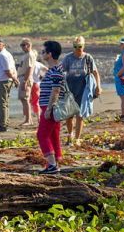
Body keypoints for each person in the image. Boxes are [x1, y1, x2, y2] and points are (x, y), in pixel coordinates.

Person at [61, 36, 101, 145]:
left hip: (83, 89)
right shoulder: (68, 58)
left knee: (80, 114)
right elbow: (61, 71)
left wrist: (98, 87)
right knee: (69, 115)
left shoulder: (88, 58)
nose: (78, 49)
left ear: (83, 46)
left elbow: (95, 73)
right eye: (75, 46)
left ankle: (77, 138)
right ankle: (70, 134)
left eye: (80, 46)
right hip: (70, 89)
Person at [36, 40, 65, 174]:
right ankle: (54, 164)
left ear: (50, 54)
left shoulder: (56, 70)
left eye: (43, 52)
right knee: (53, 135)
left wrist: (49, 109)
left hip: (51, 108)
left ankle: (52, 165)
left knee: (42, 135)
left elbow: (56, 91)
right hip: (51, 108)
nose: (41, 54)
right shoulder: (53, 70)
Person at [0, 38, 19, 132]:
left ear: (3, 45)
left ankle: (3, 125)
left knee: (1, 103)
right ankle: (2, 120)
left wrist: (14, 79)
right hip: (0, 81)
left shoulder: (3, 55)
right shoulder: (2, 55)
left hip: (4, 81)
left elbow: (7, 70)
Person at [16, 38, 38, 126]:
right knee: (23, 98)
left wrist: (25, 81)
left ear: (28, 45)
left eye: (23, 45)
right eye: (21, 45)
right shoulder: (26, 55)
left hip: (26, 78)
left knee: (25, 98)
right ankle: (28, 119)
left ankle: (28, 120)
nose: (22, 47)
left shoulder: (30, 55)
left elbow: (30, 68)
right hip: (22, 77)